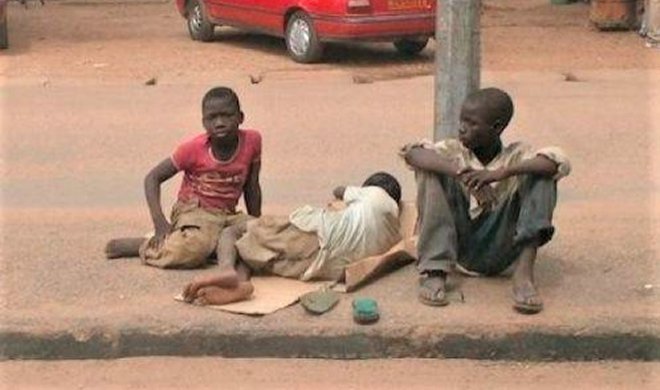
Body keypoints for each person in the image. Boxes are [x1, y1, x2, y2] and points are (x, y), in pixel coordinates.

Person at [401, 87, 570, 314]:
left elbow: (554, 162)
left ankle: (523, 274)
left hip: (502, 248)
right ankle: (435, 270)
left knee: (542, 177)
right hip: (459, 246)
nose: (462, 128)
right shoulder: (453, 151)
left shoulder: (516, 155)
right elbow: (413, 153)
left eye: (471, 123)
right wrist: (462, 175)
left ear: (497, 127)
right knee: (429, 169)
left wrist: (499, 174)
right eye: (462, 120)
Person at [181, 172, 403, 306]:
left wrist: (351, 195)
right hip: (321, 269)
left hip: (315, 234)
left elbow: (338, 190)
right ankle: (241, 284)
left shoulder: (374, 193)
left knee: (234, 232)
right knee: (253, 254)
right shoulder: (394, 236)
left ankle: (226, 270)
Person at [105, 86, 262, 269]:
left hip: (228, 214)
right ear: (204, 122)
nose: (219, 122)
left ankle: (197, 241)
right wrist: (160, 223)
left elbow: (252, 186)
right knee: (194, 250)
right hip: (195, 211)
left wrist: (256, 224)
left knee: (266, 239)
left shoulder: (253, 141)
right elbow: (152, 178)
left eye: (227, 115)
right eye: (212, 118)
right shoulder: (192, 149)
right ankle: (150, 245)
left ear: (240, 117)